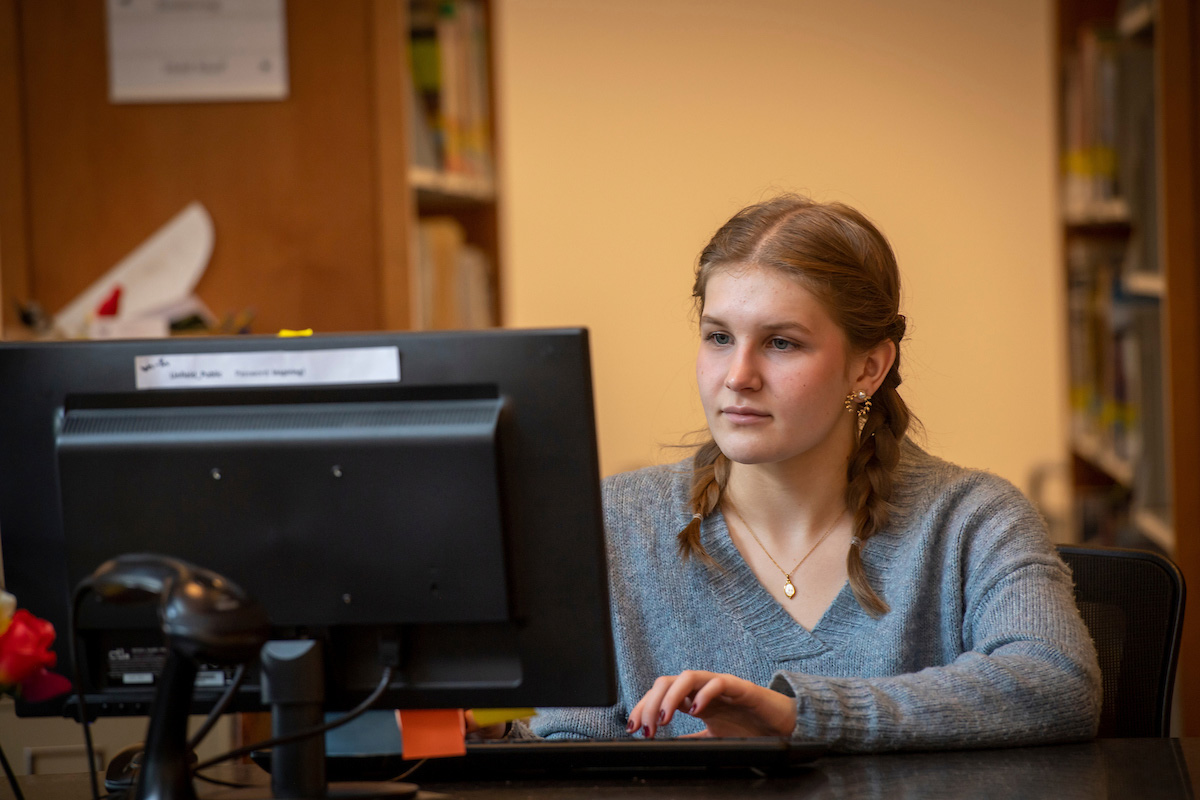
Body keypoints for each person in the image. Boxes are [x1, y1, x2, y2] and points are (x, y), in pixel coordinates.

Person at [512, 194, 1101, 751]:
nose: (737, 375)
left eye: (782, 344)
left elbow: (1058, 683)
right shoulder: (611, 522)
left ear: (868, 367)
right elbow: (565, 745)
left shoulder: (974, 518)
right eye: (719, 337)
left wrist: (801, 716)